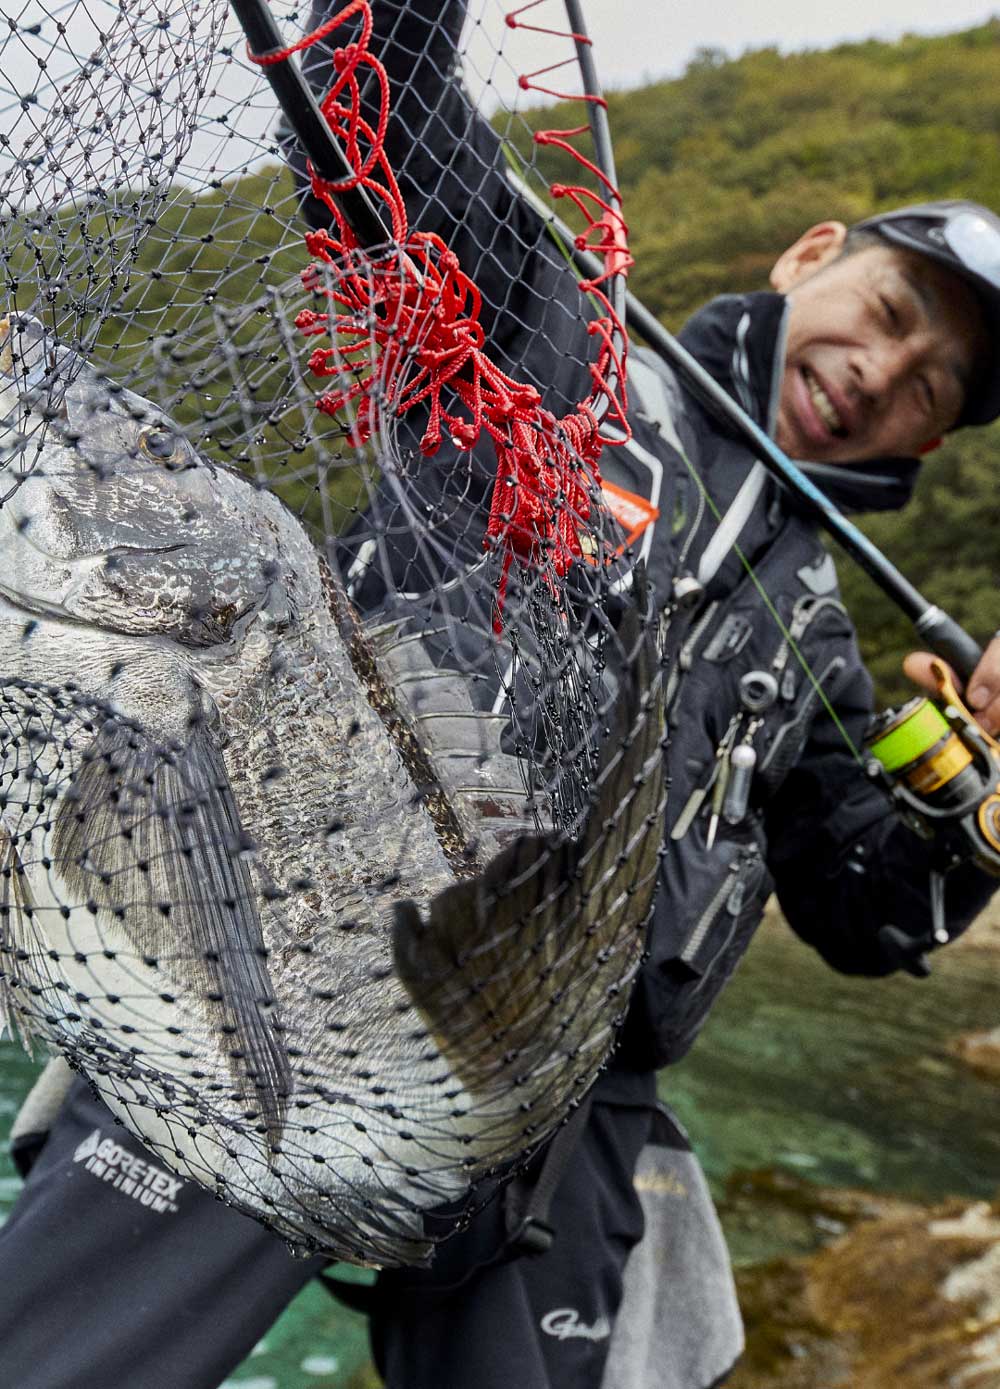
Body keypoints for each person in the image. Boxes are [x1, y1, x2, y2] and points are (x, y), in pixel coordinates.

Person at [2, 2, 1000, 1386]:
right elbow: (382, 103)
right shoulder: (553, 342)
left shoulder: (823, 645)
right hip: (304, 978)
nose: (879, 370)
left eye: (927, 381)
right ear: (810, 255)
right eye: (889, 313)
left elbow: (868, 911)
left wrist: (972, 791)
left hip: (561, 1121)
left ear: (934, 436)